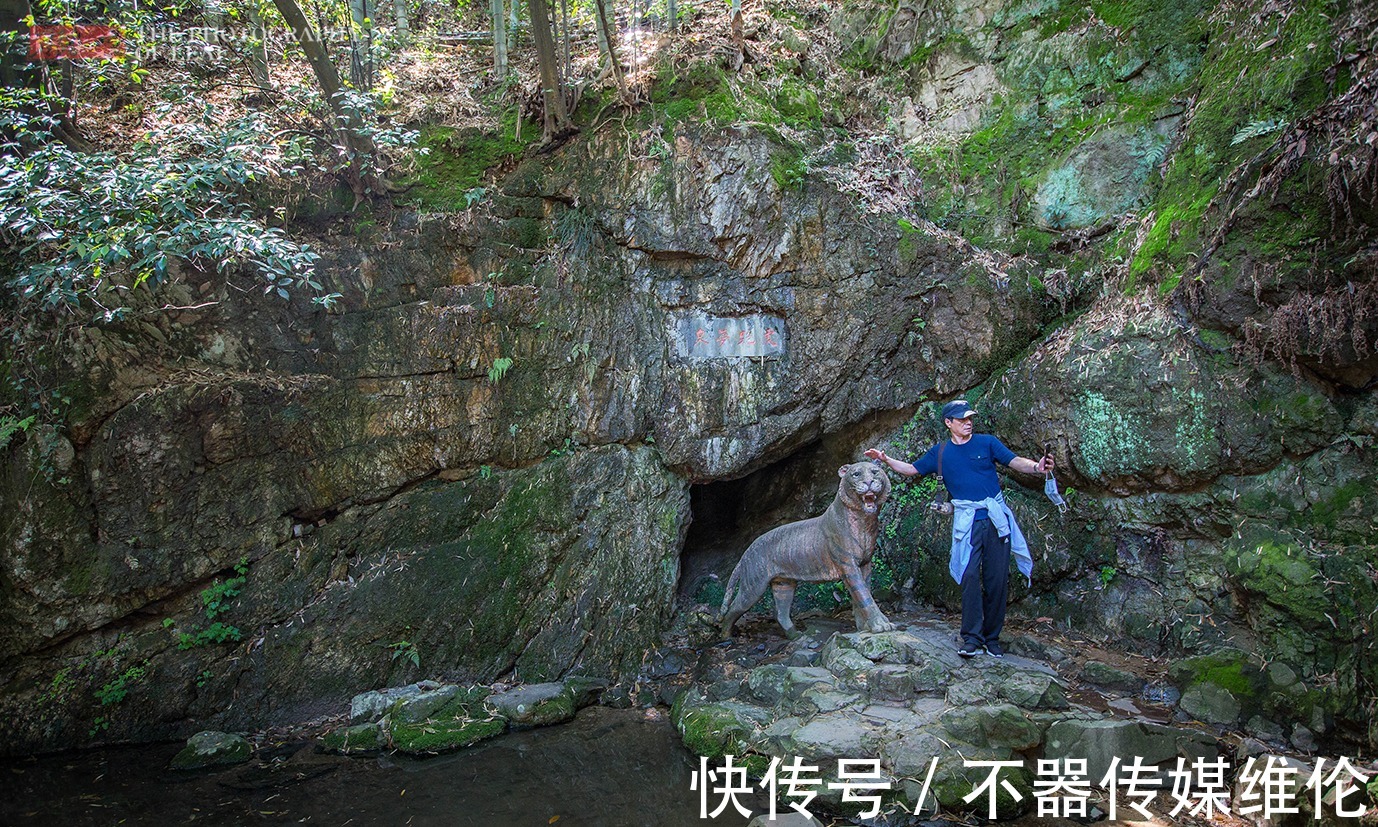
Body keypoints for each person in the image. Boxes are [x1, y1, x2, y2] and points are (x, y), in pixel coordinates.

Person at [865, 400, 1053, 658]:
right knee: (970, 577)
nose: (968, 422)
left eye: (970, 418)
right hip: (967, 522)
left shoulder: (987, 443)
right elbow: (911, 470)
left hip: (995, 519)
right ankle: (972, 638)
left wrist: (1036, 467)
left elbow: (1014, 461)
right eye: (962, 419)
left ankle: (992, 638)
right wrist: (885, 459)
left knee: (997, 579)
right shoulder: (941, 452)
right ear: (948, 423)